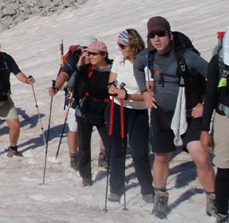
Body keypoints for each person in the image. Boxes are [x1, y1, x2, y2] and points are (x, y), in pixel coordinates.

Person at [134, 16, 215, 219]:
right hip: (162, 114)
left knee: (202, 158)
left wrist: (204, 106)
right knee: (162, 156)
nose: (157, 39)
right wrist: (144, 91)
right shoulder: (147, 56)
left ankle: (213, 199)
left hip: (189, 114)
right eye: (152, 35)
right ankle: (161, 197)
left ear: (170, 35)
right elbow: (136, 66)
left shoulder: (187, 56)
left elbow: (213, 77)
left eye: (161, 34)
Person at [105, 29, 154, 203]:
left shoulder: (146, 62)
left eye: (122, 45)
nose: (119, 49)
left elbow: (149, 92)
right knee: (117, 149)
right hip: (118, 107)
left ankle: (147, 188)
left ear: (133, 44)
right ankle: (116, 188)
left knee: (139, 151)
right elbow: (112, 80)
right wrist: (112, 88)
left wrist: (129, 96)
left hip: (138, 109)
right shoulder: (119, 60)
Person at [0, 36, 35, 162]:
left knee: (15, 125)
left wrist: (26, 80)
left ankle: (13, 148)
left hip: (4, 97)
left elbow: (18, 73)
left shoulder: (7, 59)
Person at [49, 35, 99, 169]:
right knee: (74, 128)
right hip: (76, 97)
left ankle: (103, 155)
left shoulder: (99, 58)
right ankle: (73, 157)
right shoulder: (73, 59)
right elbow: (64, 74)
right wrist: (56, 87)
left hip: (94, 96)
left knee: (101, 125)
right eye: (88, 51)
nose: (90, 55)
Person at [72, 40, 112, 186]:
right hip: (86, 111)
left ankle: (115, 172)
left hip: (103, 111)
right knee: (83, 145)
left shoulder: (113, 69)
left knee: (111, 144)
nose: (90, 56)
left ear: (104, 54)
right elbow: (74, 84)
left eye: (94, 53)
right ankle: (85, 176)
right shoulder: (86, 69)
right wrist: (81, 64)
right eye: (89, 53)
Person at [202, 27, 229, 222]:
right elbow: (210, 95)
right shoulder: (218, 62)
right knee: (225, 166)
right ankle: (222, 212)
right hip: (224, 117)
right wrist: (205, 129)